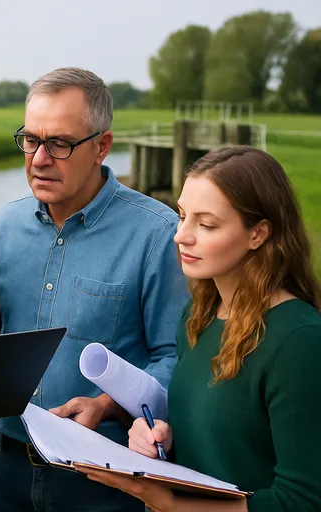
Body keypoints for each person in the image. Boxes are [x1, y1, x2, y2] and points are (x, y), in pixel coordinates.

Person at [0, 67, 189, 511]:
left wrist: (104, 405)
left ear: (102, 146)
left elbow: (174, 357)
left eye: (59, 144)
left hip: (103, 478)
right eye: (30, 139)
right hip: (6, 469)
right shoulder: (5, 225)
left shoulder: (157, 233)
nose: (39, 159)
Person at [79, 146, 321, 511]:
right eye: (182, 216)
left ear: (259, 234)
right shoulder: (199, 314)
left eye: (206, 224)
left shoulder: (300, 341)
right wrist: (162, 439)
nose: (181, 236)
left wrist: (173, 505)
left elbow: (302, 500)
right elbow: (221, 444)